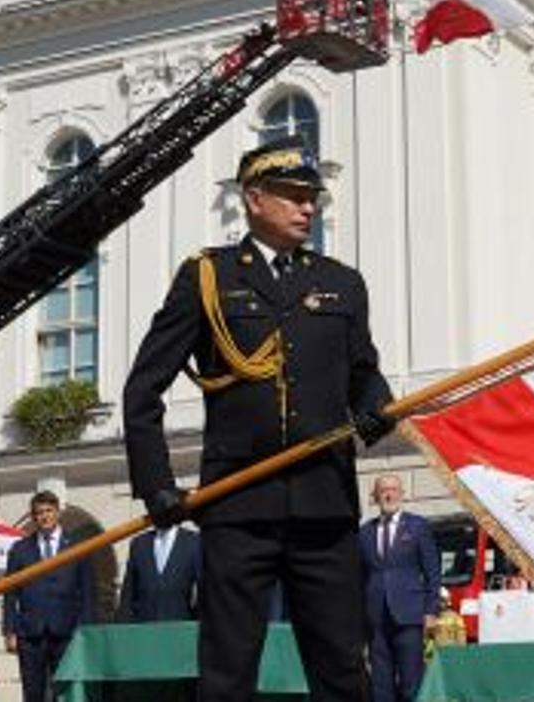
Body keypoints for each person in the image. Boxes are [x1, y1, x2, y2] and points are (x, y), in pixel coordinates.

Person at [122, 135, 395, 702]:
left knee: (343, 666)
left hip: (324, 502)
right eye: (293, 196)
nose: (308, 208)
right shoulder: (208, 279)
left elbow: (363, 371)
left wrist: (374, 405)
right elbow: (143, 388)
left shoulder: (341, 282)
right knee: (227, 670)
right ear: (253, 198)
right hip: (239, 505)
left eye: (312, 197)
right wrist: (155, 486)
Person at [3, 491, 92, 702]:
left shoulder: (78, 546)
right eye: (39, 512)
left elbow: (88, 592)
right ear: (33, 518)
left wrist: (86, 630)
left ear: (58, 512)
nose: (44, 516)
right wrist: (9, 631)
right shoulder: (20, 549)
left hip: (67, 633)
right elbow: (9, 592)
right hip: (30, 635)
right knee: (33, 693)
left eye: (49, 511)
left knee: (65, 692)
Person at [359, 475, 441, 702]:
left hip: (409, 617)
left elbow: (433, 572)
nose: (389, 494)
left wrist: (431, 610)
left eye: (394, 489)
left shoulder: (418, 526)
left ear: (401, 493)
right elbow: (359, 578)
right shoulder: (364, 533)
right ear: (375, 497)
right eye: (383, 490)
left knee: (410, 683)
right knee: (381, 688)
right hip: (376, 621)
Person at [119, 521, 203, 623]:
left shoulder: (194, 542)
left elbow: (206, 592)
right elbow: (127, 596)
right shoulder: (139, 544)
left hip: (180, 630)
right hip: (143, 631)